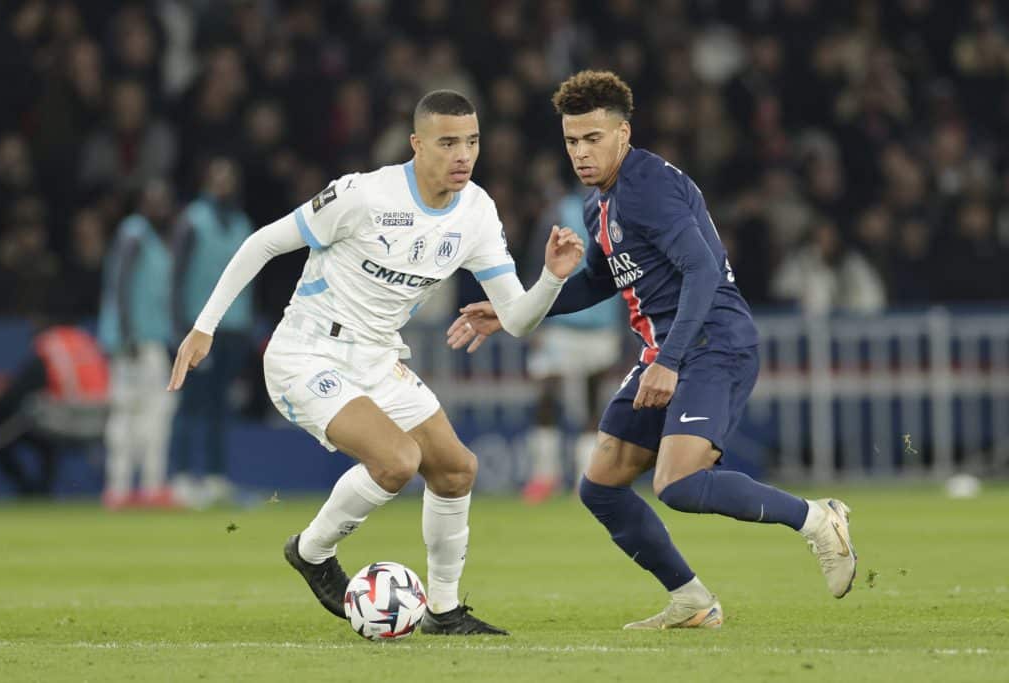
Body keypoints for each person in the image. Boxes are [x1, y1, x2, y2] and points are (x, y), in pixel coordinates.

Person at [448, 71, 857, 630]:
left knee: (679, 484)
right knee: (600, 487)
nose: (580, 152)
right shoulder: (599, 204)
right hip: (666, 350)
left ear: (623, 133)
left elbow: (702, 269)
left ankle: (816, 519)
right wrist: (516, 308)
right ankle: (692, 601)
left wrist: (668, 361)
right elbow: (597, 281)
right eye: (571, 141)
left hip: (712, 343)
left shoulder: (648, 186)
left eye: (593, 138)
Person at [167, 90, 583, 635]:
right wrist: (205, 326)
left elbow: (518, 319)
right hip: (306, 353)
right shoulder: (362, 195)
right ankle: (312, 552)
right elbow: (263, 243)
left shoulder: (477, 212)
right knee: (397, 461)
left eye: (472, 141)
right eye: (448, 143)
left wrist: (551, 278)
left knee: (457, 470)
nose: (463, 155)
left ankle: (443, 612)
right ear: (417, 144)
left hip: (378, 356)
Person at [521, 190, 623, 504]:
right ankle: (544, 475)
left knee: (594, 403)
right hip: (560, 325)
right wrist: (533, 317)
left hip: (602, 325)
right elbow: (537, 263)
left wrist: (626, 328)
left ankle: (585, 480)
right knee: (546, 395)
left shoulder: (622, 210)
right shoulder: (559, 211)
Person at [169, 157, 254, 507]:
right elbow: (176, 277)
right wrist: (180, 328)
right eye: (218, 177)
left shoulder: (242, 222)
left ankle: (216, 478)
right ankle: (183, 477)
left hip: (234, 328)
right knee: (191, 403)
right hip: (199, 327)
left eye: (229, 177)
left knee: (221, 406)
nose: (224, 184)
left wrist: (247, 326)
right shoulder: (192, 220)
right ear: (206, 181)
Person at [98, 178, 177, 509]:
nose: (160, 205)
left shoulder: (156, 239)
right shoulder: (134, 232)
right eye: (153, 199)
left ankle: (138, 487)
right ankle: (131, 487)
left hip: (149, 338)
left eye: (164, 199)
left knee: (145, 411)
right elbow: (120, 282)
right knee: (136, 411)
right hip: (136, 341)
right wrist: (126, 333)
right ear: (142, 202)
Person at [0, 325, 108, 496]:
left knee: (6, 431)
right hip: (103, 420)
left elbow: (17, 393)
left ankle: (32, 491)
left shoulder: (50, 349)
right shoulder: (85, 342)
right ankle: (40, 490)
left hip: (66, 422)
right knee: (42, 437)